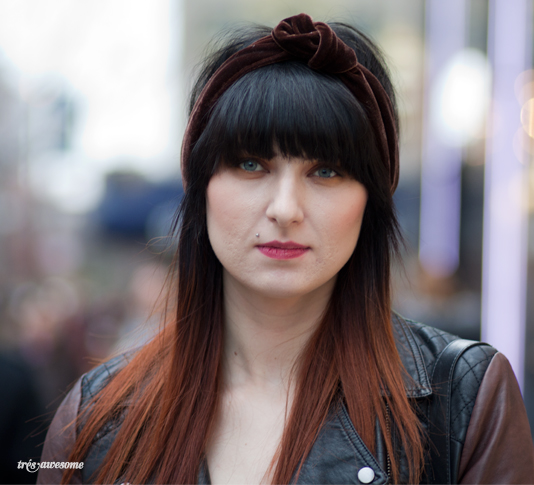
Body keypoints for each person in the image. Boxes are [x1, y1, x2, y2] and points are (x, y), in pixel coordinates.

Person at [38, 13, 534, 485]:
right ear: (201, 187)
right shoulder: (99, 415)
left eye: (326, 171)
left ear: (371, 201)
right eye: (252, 165)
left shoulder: (458, 399)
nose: (286, 208)